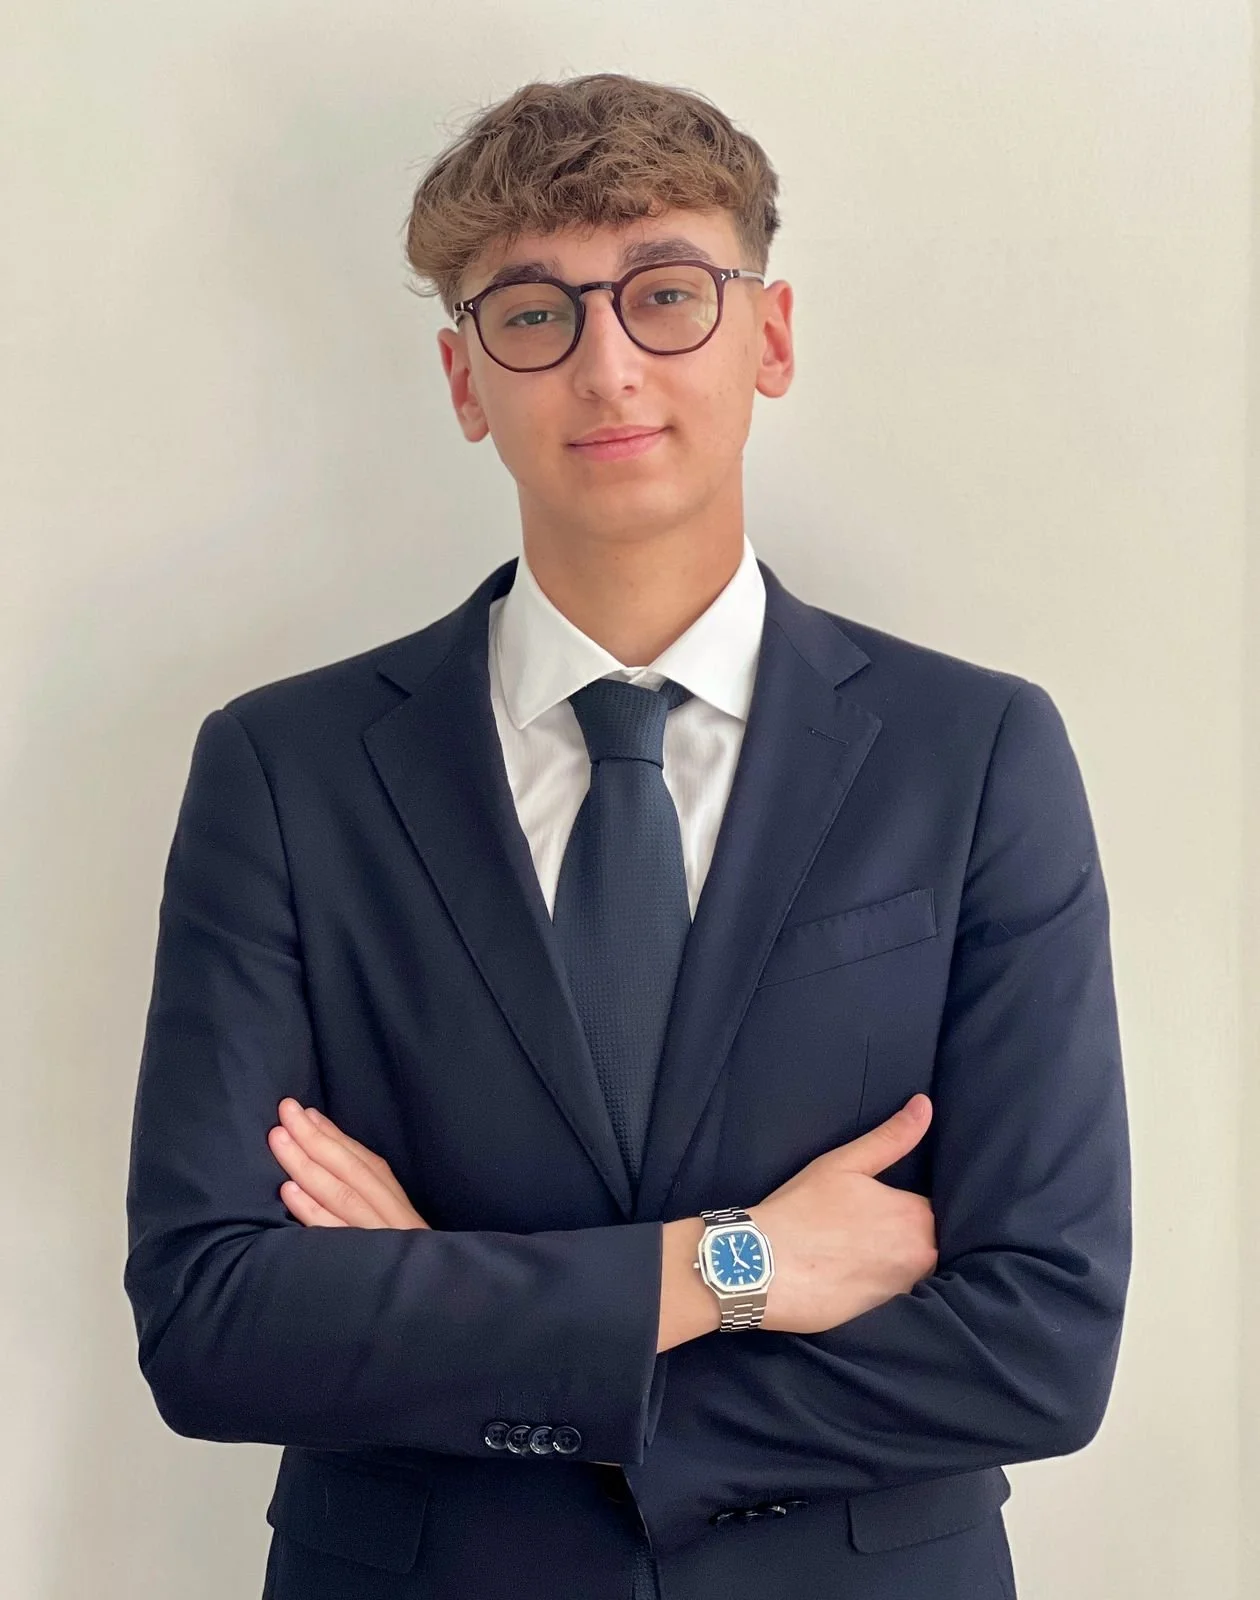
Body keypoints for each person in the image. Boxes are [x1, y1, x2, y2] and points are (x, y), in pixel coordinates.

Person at [123, 71, 1132, 1600]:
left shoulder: (977, 754)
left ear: (768, 337)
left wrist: (444, 1313)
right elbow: (212, 1324)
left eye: (666, 295)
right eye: (535, 314)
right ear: (464, 378)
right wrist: (733, 1268)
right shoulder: (285, 770)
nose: (607, 367)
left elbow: (1041, 1342)